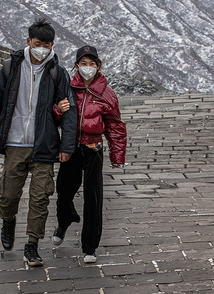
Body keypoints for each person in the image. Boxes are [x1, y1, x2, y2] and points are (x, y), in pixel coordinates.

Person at [0, 18, 77, 267]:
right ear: (28, 42)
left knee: (40, 197)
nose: (42, 48)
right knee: (8, 195)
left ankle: (32, 245)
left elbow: (70, 110)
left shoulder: (57, 72)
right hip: (14, 143)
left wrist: (67, 145)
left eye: (47, 44)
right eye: (37, 43)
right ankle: (8, 220)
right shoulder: (11, 68)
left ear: (53, 45)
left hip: (45, 144)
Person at [52, 45, 126, 264]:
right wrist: (59, 109)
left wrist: (117, 156)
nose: (87, 68)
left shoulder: (106, 94)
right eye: (83, 64)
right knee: (64, 191)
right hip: (71, 147)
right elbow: (53, 117)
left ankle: (90, 247)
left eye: (91, 64)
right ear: (76, 66)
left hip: (93, 148)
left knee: (93, 199)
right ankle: (64, 221)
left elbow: (115, 126)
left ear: (98, 66)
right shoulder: (67, 88)